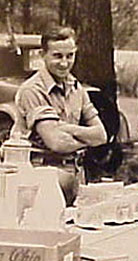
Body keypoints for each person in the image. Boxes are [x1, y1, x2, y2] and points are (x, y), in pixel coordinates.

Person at [15, 25, 107, 205]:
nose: (65, 63)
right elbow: (56, 143)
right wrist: (86, 138)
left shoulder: (76, 88)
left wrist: (67, 128)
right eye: (57, 56)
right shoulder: (32, 90)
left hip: (76, 175)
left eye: (70, 56)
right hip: (44, 177)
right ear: (43, 54)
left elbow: (101, 135)